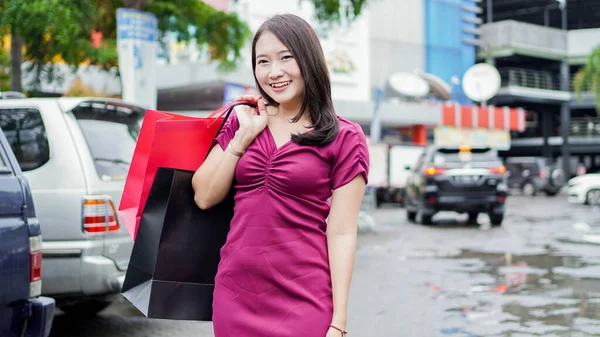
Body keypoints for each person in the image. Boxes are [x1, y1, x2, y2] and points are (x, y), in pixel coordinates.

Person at [192, 13, 369, 337]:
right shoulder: (242, 120)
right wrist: (242, 139)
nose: (274, 72)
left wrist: (338, 321)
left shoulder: (344, 136)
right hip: (235, 294)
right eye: (263, 61)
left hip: (304, 298)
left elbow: (342, 232)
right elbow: (203, 195)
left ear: (308, 59)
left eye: (286, 57)